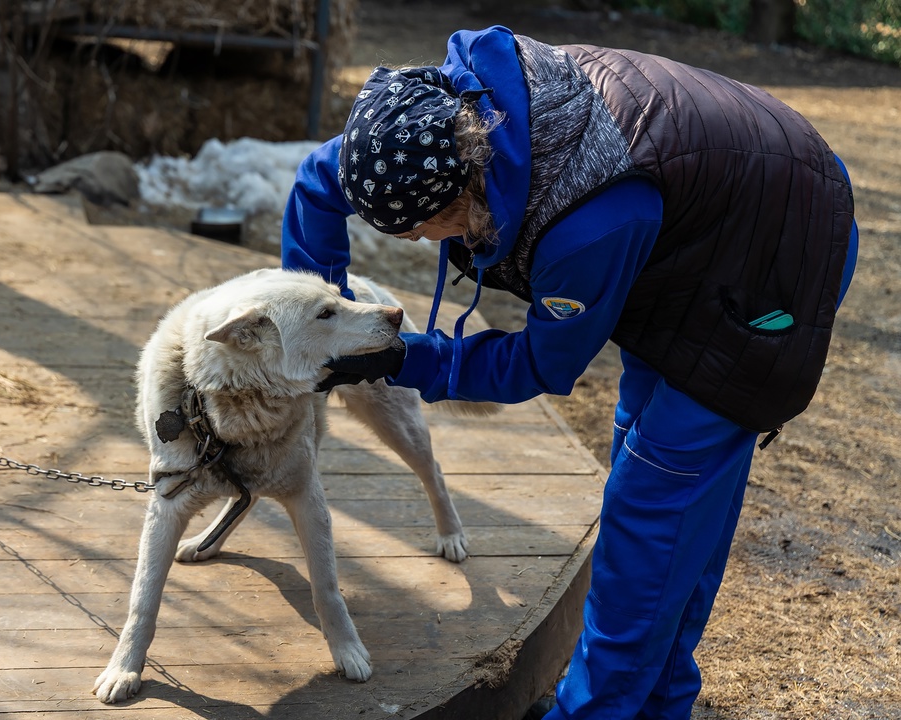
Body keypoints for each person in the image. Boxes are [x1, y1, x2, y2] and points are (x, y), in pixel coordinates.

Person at [279, 25, 858, 720]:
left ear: (463, 199)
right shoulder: (422, 132)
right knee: (655, 480)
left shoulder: (585, 227)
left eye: (414, 231)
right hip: (691, 220)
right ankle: (658, 705)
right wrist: (317, 322)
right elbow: (319, 183)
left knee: (655, 506)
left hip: (775, 248)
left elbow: (537, 363)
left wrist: (407, 359)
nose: (409, 242)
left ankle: (593, 711)